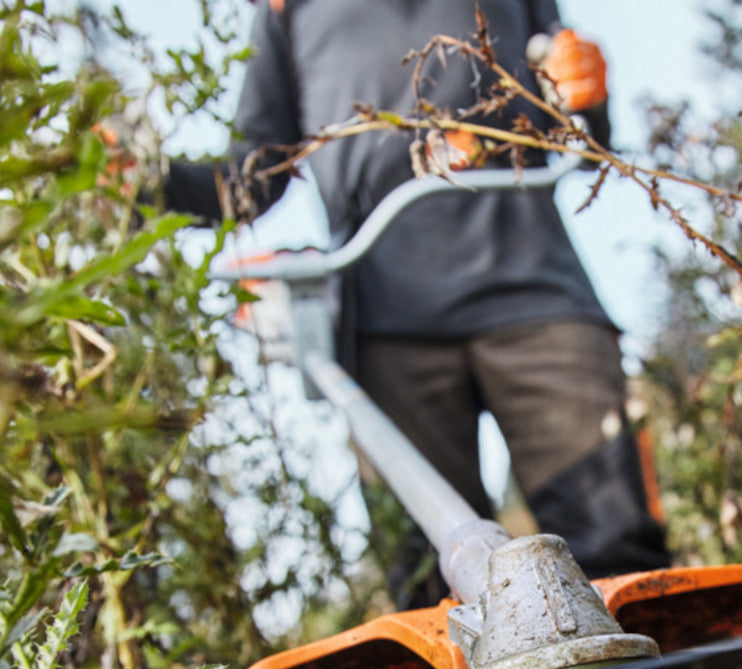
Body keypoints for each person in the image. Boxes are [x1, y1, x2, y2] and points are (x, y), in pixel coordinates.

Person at [158, 0, 669, 603]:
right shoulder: (289, 10)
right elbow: (248, 179)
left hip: (539, 299)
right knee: (437, 589)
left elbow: (576, 127)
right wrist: (147, 177)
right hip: (384, 325)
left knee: (621, 561)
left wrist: (587, 89)